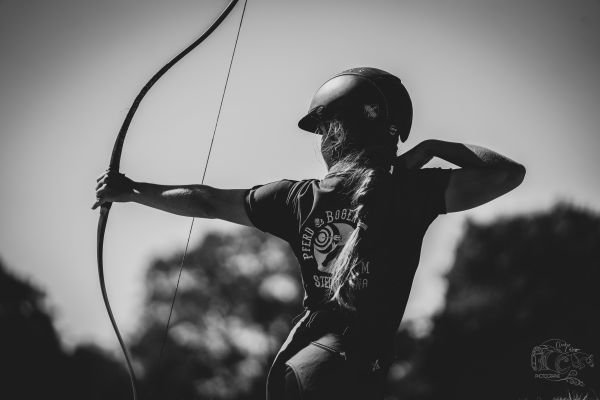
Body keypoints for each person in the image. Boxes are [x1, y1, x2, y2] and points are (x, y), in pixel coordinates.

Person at [94, 67, 526, 399]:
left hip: (306, 369)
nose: (320, 140)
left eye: (321, 130)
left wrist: (132, 191)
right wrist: (431, 148)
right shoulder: (412, 192)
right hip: (348, 375)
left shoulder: (296, 198)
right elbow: (507, 174)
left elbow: (206, 201)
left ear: (336, 131)